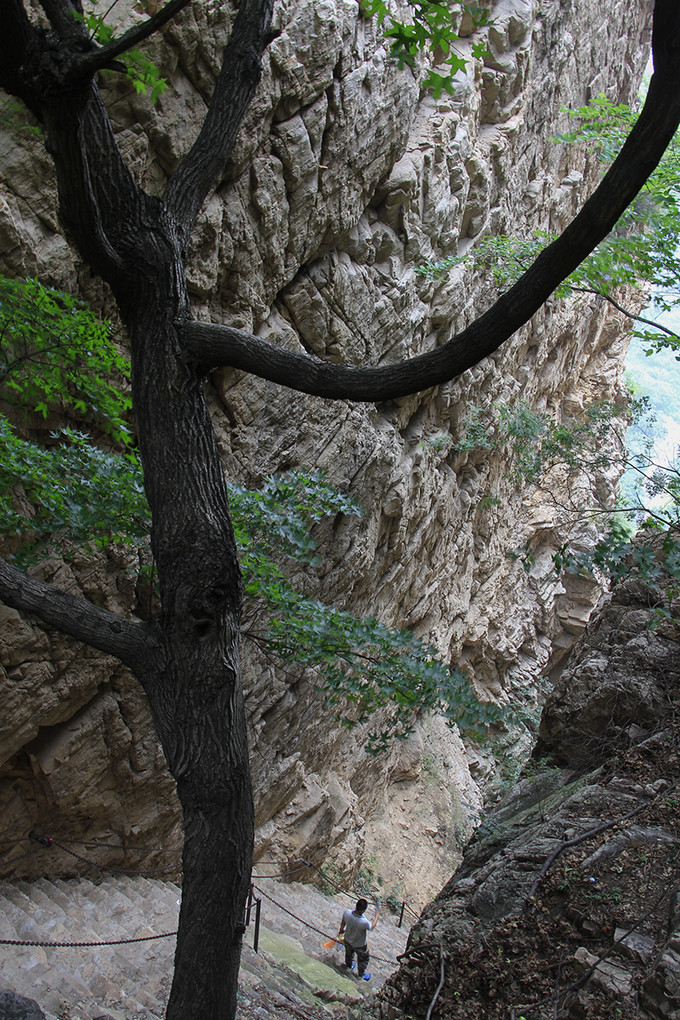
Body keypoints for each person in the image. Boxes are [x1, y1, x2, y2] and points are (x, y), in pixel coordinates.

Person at [338, 897, 380, 980]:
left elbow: (343, 922)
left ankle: (349, 966)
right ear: (364, 910)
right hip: (359, 945)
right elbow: (372, 926)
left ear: (356, 905)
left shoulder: (347, 913)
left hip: (348, 940)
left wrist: (341, 930)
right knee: (363, 959)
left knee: (348, 954)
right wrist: (377, 914)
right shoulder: (364, 922)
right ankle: (361, 975)